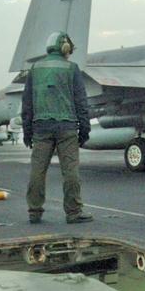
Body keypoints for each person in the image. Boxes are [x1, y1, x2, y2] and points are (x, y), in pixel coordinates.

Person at [21, 32, 93, 225]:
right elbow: (81, 102)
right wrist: (85, 129)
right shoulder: (72, 68)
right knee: (70, 172)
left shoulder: (35, 68)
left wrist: (27, 132)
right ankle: (74, 212)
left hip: (41, 128)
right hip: (67, 128)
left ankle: (34, 212)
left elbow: (27, 104)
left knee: (37, 171)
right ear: (65, 48)